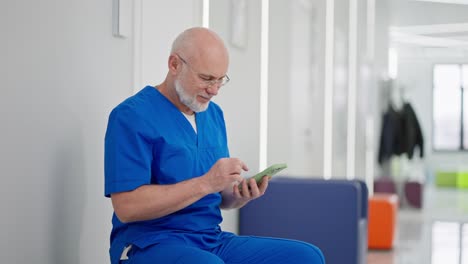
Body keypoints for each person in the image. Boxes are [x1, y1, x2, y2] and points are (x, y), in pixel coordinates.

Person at [104, 27, 325, 264]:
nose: (214, 90)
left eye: (221, 80)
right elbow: (127, 207)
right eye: (206, 79)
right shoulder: (131, 116)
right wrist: (205, 182)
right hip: (150, 243)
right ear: (174, 64)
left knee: (307, 257)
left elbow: (218, 196)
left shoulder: (213, 115)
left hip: (210, 240)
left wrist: (238, 196)